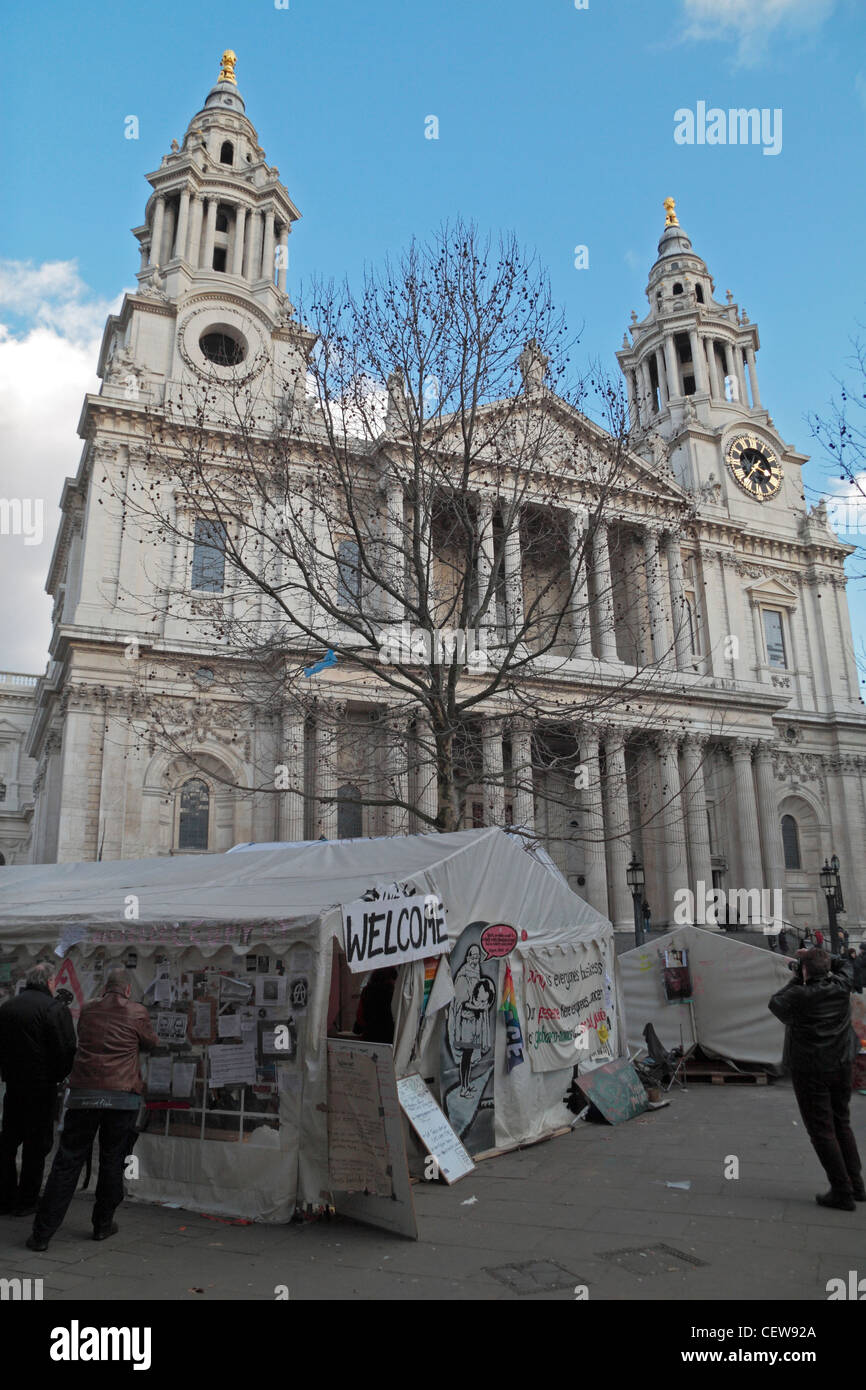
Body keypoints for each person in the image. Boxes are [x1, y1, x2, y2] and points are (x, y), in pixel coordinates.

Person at [27, 968, 158, 1251]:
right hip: (121, 1096)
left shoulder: (87, 1009)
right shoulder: (136, 1011)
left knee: (66, 1161)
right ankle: (102, 1225)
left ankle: (42, 1234)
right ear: (126, 991)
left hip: (84, 1094)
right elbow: (151, 1043)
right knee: (113, 1159)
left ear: (104, 989)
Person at [768, 947, 864, 1211]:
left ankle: (842, 1190)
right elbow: (845, 962)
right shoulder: (841, 985)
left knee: (822, 1130)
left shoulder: (799, 994)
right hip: (842, 1063)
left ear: (805, 970)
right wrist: (818, 960)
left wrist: (800, 974)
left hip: (811, 1068)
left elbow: (776, 1002)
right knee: (841, 1122)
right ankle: (856, 1184)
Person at [0, 962, 76, 1217]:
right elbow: (65, 1049)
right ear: (50, 982)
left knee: (9, 1142)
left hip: (14, 1085)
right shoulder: (54, 1009)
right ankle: (27, 1200)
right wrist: (58, 1075)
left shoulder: (8, 1007)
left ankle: (5, 1196)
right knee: (36, 1145)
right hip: (42, 1087)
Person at [353, 967, 398, 1044]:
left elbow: (360, 1016)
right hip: (390, 1038)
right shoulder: (394, 992)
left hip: (369, 1036)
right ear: (391, 978)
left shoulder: (366, 991)